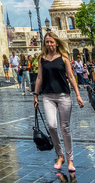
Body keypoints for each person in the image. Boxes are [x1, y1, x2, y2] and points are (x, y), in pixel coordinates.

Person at [34, 30, 84, 174]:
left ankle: (70, 159)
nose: (49, 44)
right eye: (47, 42)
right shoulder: (42, 58)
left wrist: (78, 95)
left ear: (56, 43)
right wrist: (35, 95)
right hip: (48, 96)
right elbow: (39, 78)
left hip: (64, 95)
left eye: (51, 42)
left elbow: (71, 76)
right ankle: (60, 155)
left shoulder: (64, 58)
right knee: (52, 126)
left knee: (65, 128)